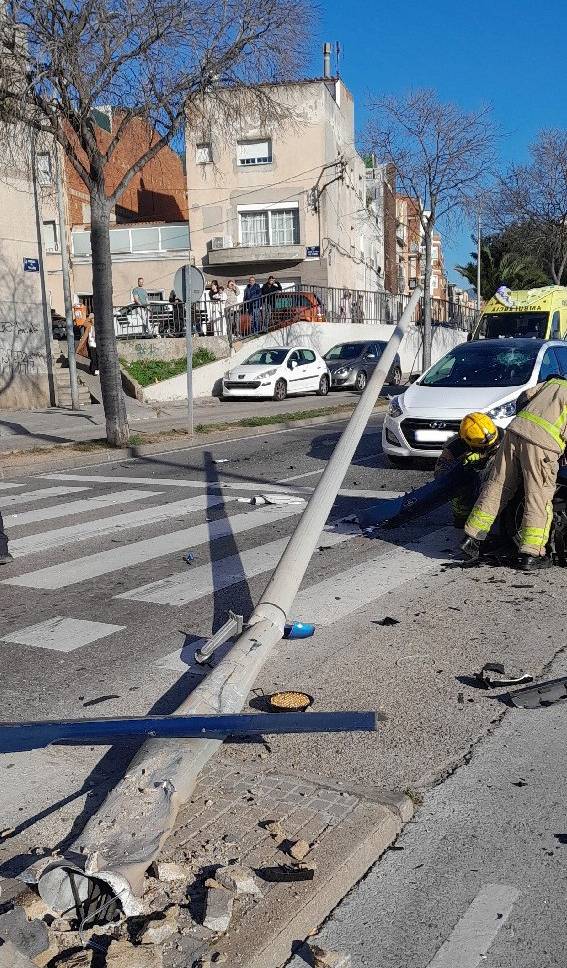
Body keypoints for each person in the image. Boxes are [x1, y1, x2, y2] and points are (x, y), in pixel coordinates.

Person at [462, 375, 567, 571]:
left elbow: (523, 397)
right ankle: (531, 554)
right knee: (538, 496)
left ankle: (472, 538)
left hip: (514, 433)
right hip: (541, 445)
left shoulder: (555, 383)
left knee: (497, 486)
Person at [435, 412, 502, 529]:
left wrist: (484, 457)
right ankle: (464, 513)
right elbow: (440, 475)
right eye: (482, 447)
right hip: (468, 491)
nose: (488, 448)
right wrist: (462, 461)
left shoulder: (503, 435)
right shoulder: (454, 447)